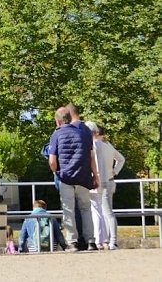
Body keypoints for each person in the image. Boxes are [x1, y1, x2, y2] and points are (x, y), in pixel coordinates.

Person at [48, 106, 99, 252]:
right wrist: (95, 176)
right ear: (70, 118)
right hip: (83, 177)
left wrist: (56, 172)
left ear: (57, 122)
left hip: (66, 177)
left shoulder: (56, 135)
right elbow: (91, 157)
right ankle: (91, 241)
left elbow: (52, 161)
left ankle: (73, 242)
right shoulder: (83, 133)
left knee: (68, 209)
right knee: (86, 209)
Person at [86, 122, 125, 250]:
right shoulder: (108, 145)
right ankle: (107, 240)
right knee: (106, 211)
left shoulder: (95, 145)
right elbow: (121, 159)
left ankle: (110, 240)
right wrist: (114, 171)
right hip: (109, 180)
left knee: (103, 212)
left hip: (100, 181)